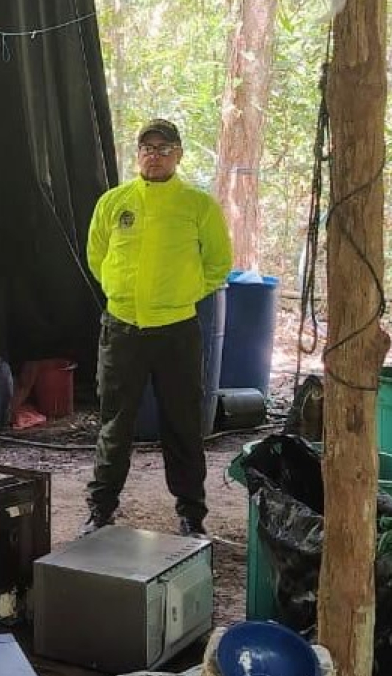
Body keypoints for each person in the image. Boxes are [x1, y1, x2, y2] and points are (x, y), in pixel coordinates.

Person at [82, 119, 232, 538]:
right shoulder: (114, 202)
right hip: (122, 329)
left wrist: (179, 294)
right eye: (147, 148)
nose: (154, 155)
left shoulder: (198, 206)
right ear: (138, 154)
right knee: (114, 424)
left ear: (179, 155)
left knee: (182, 424)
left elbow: (218, 264)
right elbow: (97, 256)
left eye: (164, 148)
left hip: (176, 330)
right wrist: (123, 293)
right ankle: (101, 508)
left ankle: (191, 514)